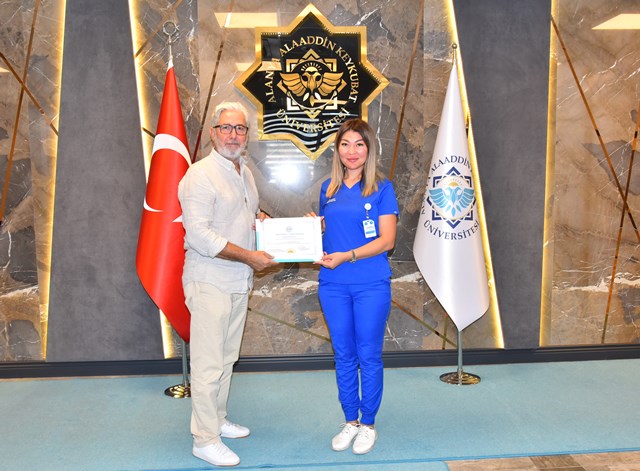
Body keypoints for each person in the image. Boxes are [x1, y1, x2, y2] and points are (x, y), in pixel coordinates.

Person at [178, 101, 278, 467]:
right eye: (226, 128)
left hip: (238, 281)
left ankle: (217, 420)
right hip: (209, 282)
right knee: (207, 365)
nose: (233, 135)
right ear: (213, 133)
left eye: (240, 129)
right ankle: (204, 439)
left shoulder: (243, 172)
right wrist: (249, 256)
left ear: (247, 135)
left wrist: (263, 220)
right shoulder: (199, 175)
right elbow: (200, 235)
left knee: (226, 359)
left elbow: (246, 215)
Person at [306, 118, 399, 455]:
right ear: (337, 150)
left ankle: (368, 423)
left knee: (368, 354)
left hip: (370, 284)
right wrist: (314, 230)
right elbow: (330, 233)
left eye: (359, 144)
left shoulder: (382, 188)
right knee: (343, 354)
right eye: (345, 144)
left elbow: (387, 241)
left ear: (369, 148)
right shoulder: (328, 189)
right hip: (333, 285)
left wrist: (348, 255)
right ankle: (351, 420)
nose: (352, 151)